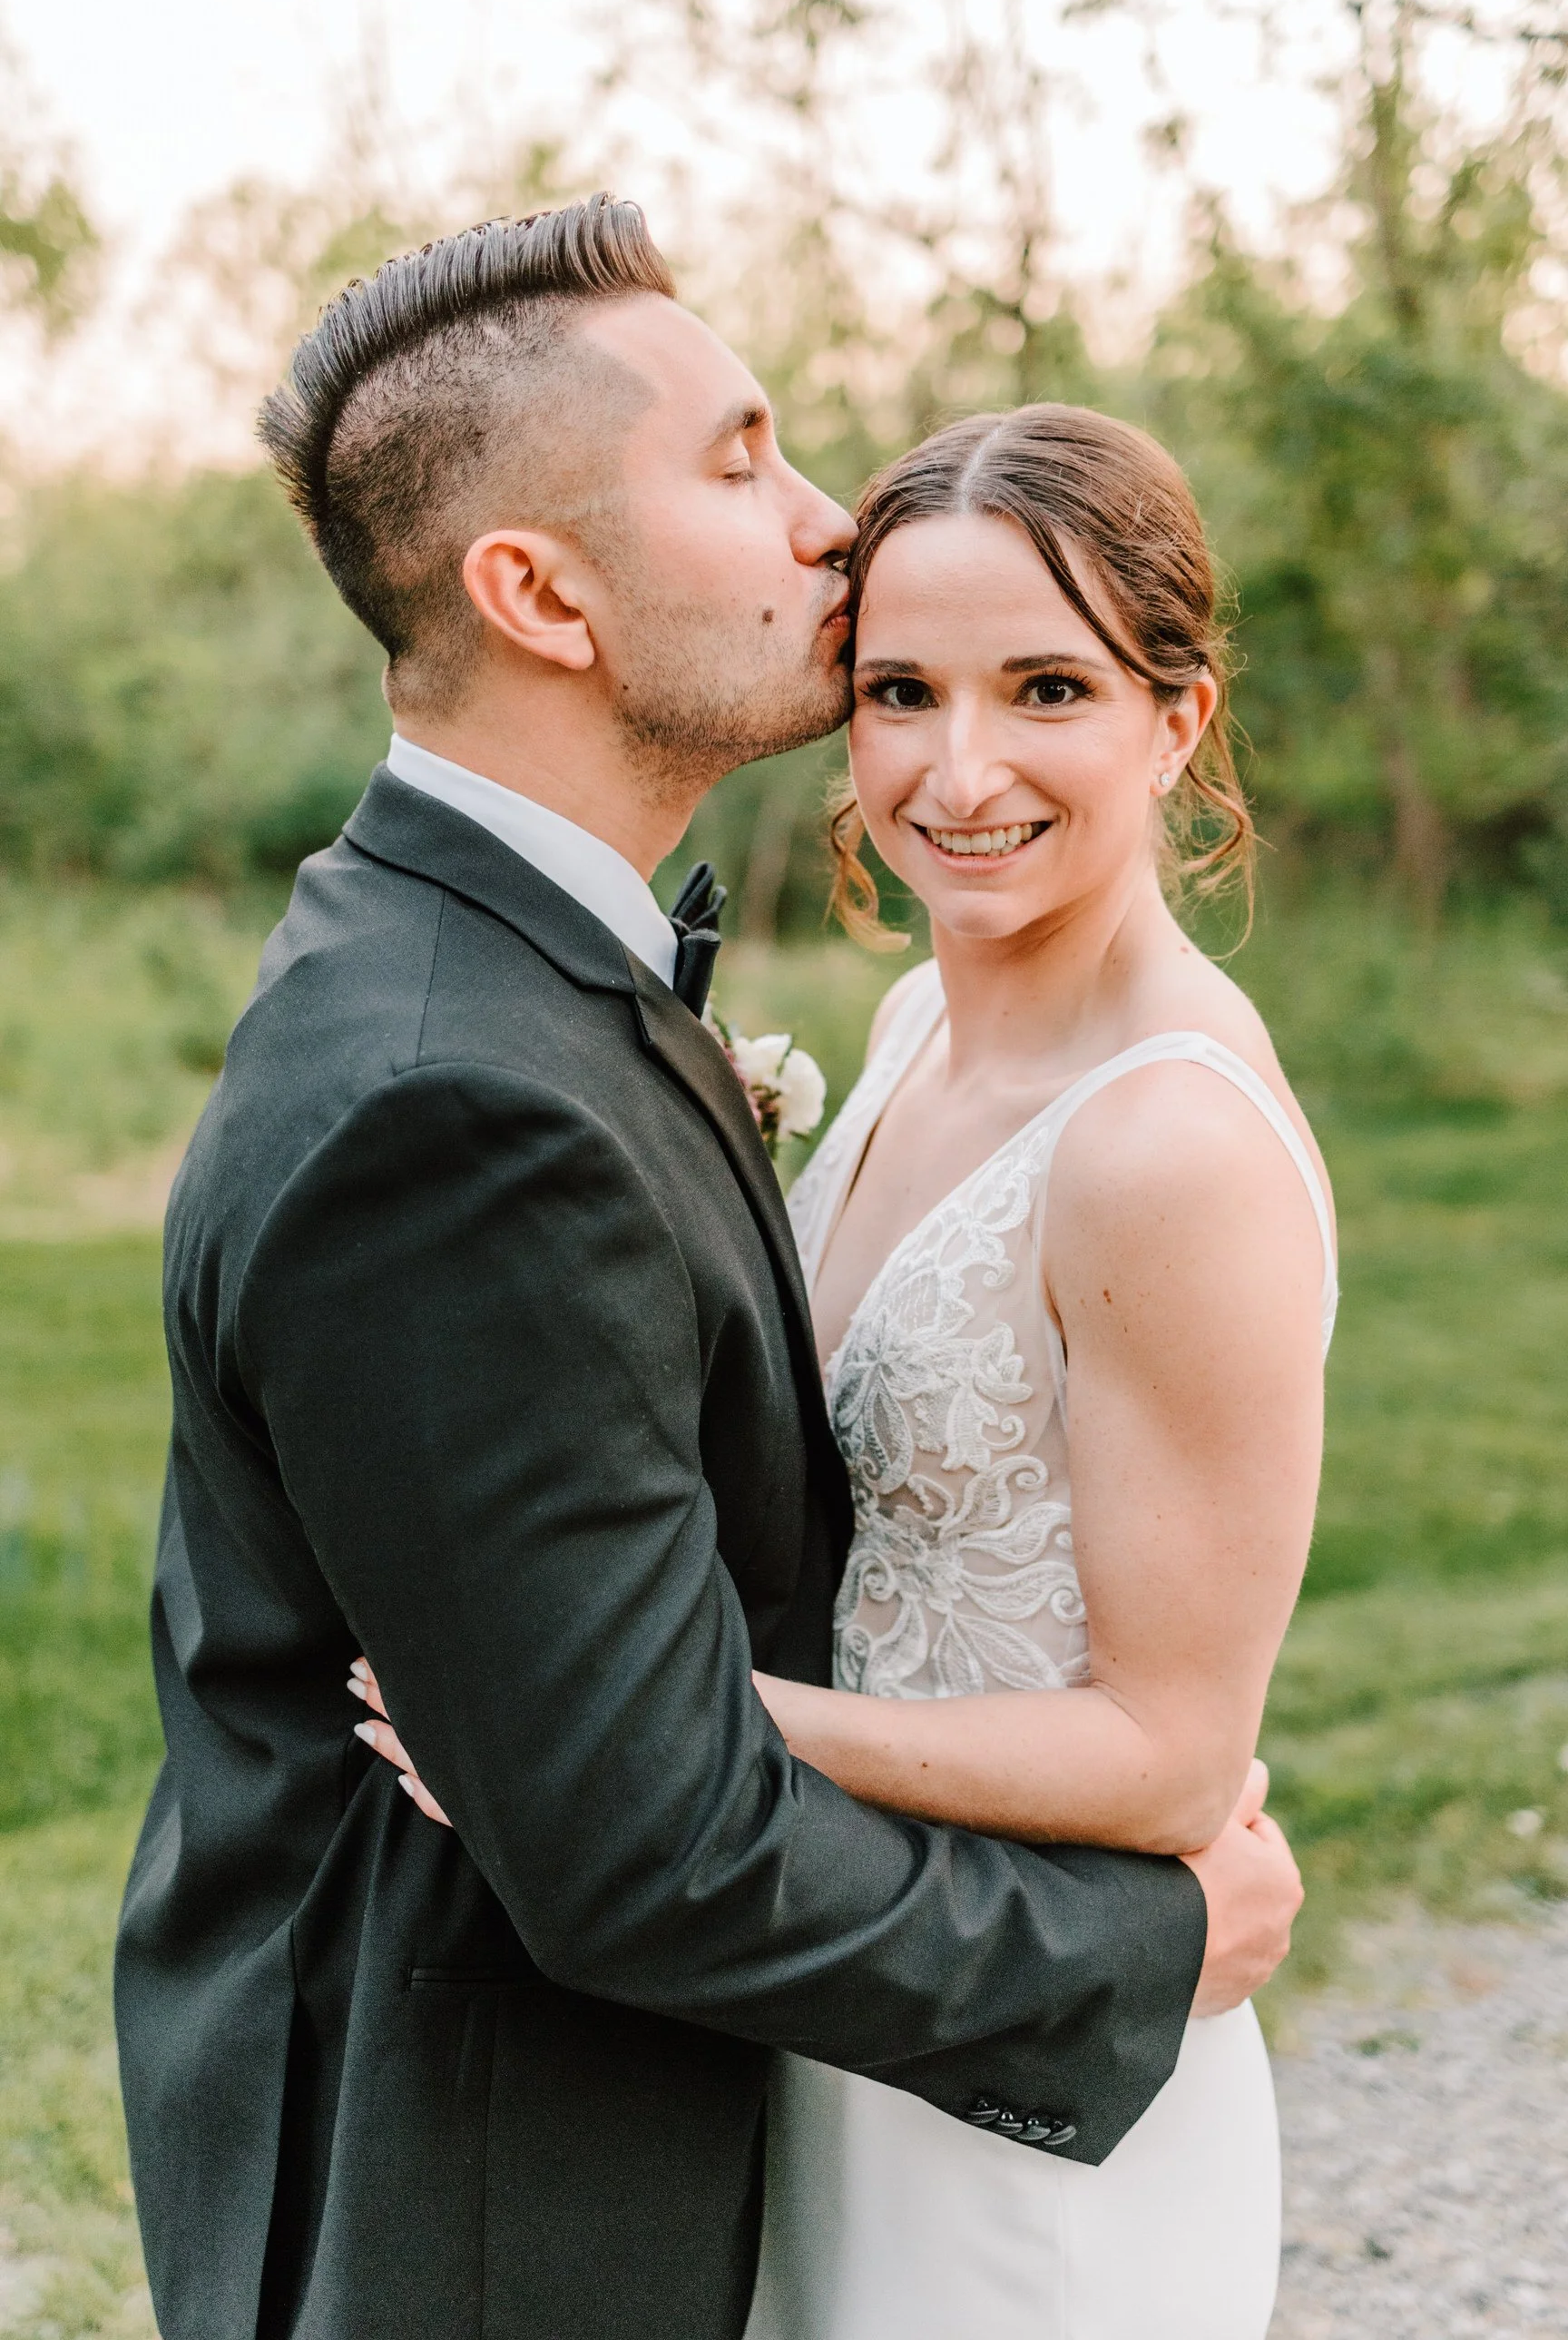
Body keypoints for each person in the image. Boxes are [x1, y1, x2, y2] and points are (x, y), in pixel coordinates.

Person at [113, 197, 1300, 2340]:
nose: (829, 523)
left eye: (1049, 687)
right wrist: (1139, 1949)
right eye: (743, 457)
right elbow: (635, 1838)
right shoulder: (448, 1096)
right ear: (539, 591)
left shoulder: (503, 978)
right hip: (481, 2214)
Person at [369, 400, 1333, 2334]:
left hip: (1028, 2093)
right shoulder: (911, 1023)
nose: (958, 771)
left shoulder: (1166, 1145)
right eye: (903, 691)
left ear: (1178, 720)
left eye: (1045, 688)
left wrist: (641, 1725)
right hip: (852, 1997)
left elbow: (1171, 1759)